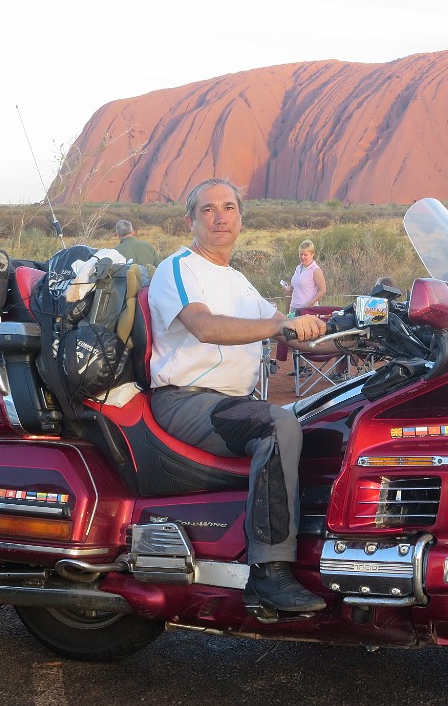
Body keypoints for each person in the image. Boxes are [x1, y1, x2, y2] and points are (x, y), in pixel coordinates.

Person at [146, 178, 328, 613]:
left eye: (229, 207)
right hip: (186, 400)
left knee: (330, 417)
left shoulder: (238, 280)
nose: (220, 216)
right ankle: (269, 573)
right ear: (190, 220)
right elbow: (205, 327)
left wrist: (358, 335)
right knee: (278, 423)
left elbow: (296, 333)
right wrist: (279, 328)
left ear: (241, 218)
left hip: (227, 403)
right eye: (208, 209)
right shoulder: (180, 267)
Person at [283, 240, 326, 315]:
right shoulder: (299, 267)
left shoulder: (315, 270)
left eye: (305, 255)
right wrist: (289, 288)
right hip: (294, 307)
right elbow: (296, 285)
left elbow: (322, 290)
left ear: (312, 254)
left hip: (308, 310)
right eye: (301, 254)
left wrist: (308, 305)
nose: (302, 257)